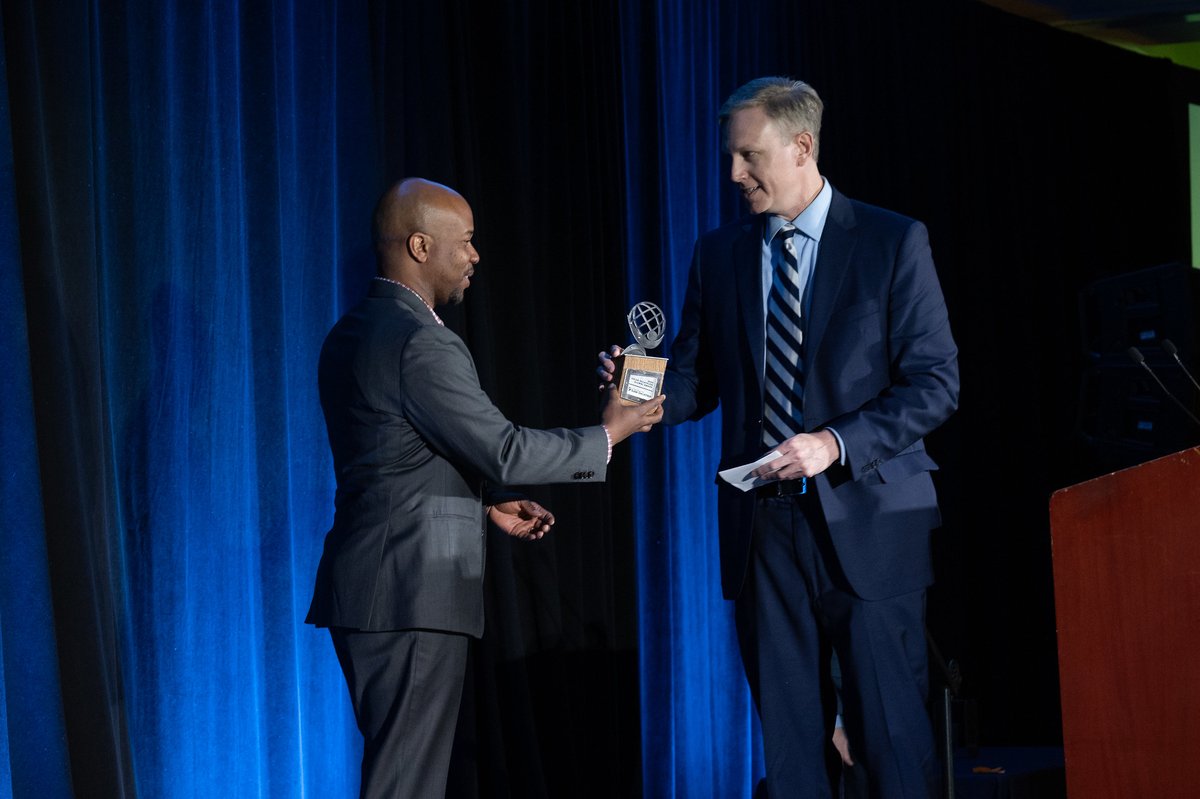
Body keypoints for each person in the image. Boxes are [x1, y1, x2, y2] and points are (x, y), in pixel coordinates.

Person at [599, 77, 958, 797]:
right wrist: (643, 391)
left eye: (748, 156)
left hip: (869, 522)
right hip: (766, 527)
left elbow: (935, 383)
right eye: (729, 157)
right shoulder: (719, 254)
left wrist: (835, 441)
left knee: (889, 743)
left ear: (802, 147)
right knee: (792, 753)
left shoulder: (892, 241)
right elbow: (701, 383)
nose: (733, 174)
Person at [309, 177, 665, 799]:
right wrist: (610, 433)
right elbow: (505, 447)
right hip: (410, 591)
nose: (476, 256)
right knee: (405, 784)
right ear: (420, 246)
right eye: (466, 242)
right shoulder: (422, 341)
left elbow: (395, 458)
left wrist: (484, 501)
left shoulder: (351, 332)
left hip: (372, 587)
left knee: (398, 771)